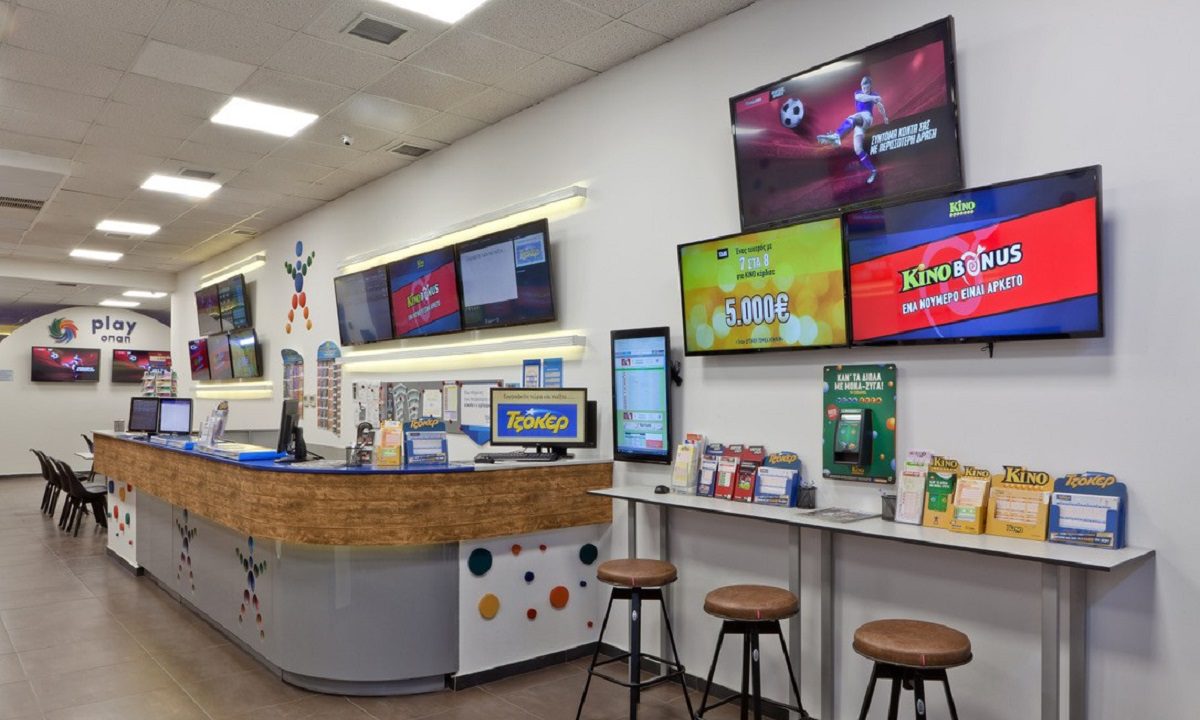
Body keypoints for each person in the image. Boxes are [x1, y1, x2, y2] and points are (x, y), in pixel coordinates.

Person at [817, 75, 889, 184]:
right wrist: (873, 98)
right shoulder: (858, 93)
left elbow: (880, 106)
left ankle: (837, 136)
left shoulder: (874, 94)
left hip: (867, 117)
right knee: (858, 149)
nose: (865, 89)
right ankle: (873, 171)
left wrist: (885, 116)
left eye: (867, 87)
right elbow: (860, 98)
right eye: (863, 87)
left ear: (870, 86)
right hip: (859, 123)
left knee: (853, 118)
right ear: (861, 86)